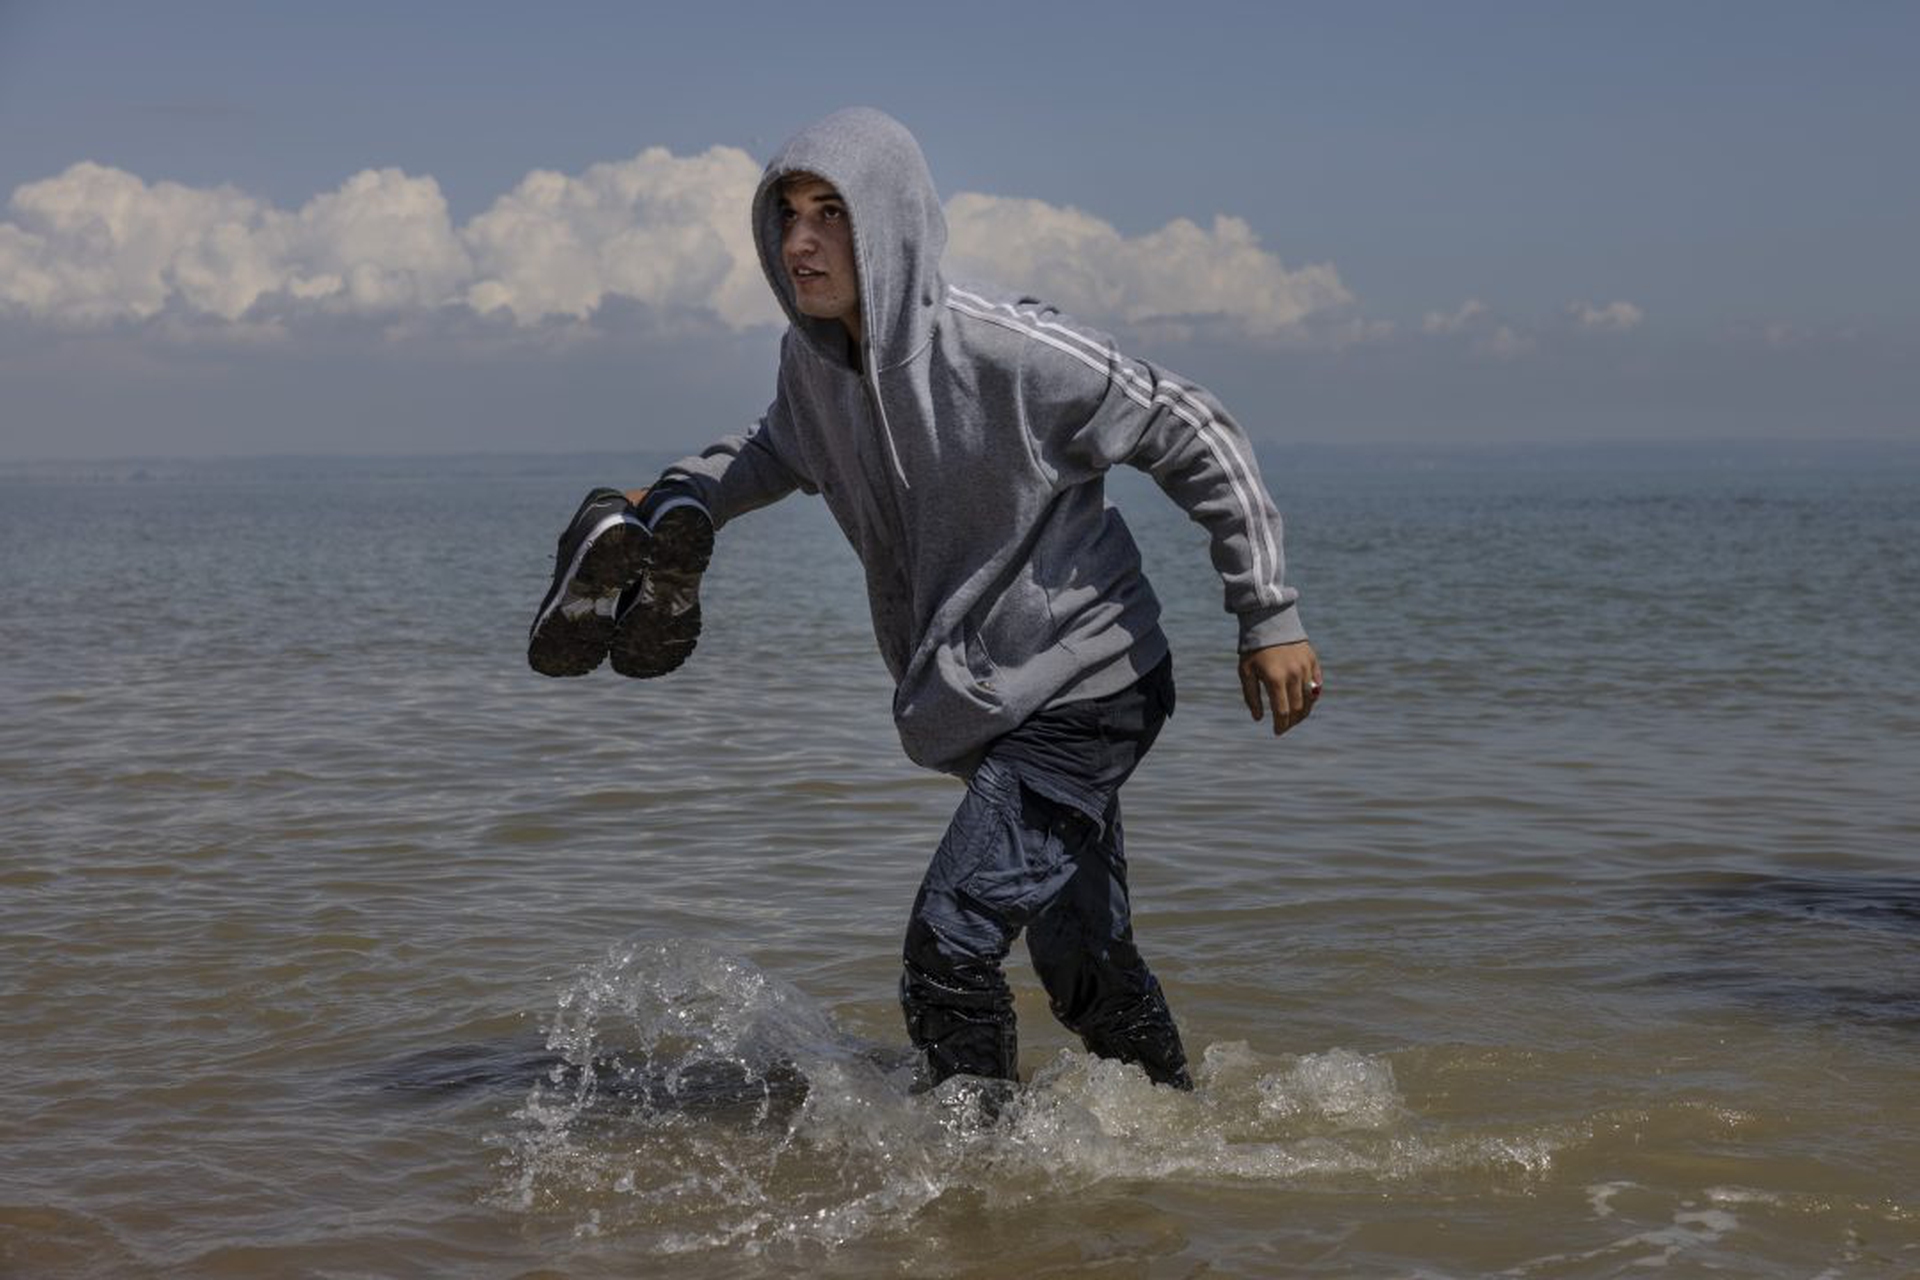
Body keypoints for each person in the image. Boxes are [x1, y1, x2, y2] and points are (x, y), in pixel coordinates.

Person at [528, 107, 1321, 1093]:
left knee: (948, 945)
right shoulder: (815, 363)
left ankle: (972, 1187)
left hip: (1087, 689)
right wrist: (687, 493)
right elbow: (778, 447)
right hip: (987, 701)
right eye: (786, 214)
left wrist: (1267, 611)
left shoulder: (1006, 351)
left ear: (892, 225)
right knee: (1086, 969)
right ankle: (1185, 1130)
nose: (801, 240)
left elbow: (1188, 424)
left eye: (831, 214)